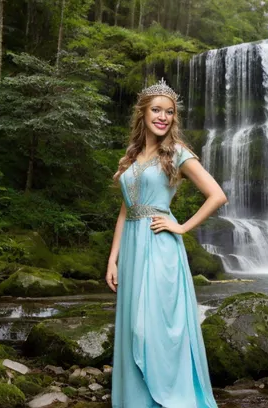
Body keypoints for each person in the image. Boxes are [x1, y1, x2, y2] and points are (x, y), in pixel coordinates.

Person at [106, 78, 227, 408]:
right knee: (133, 323)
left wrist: (182, 226)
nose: (163, 117)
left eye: (169, 112)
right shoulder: (131, 157)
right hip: (131, 247)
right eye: (156, 110)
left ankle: (172, 398)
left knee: (157, 324)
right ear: (143, 114)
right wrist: (112, 259)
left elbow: (217, 195)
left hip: (160, 246)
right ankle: (137, 401)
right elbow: (124, 212)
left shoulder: (177, 153)